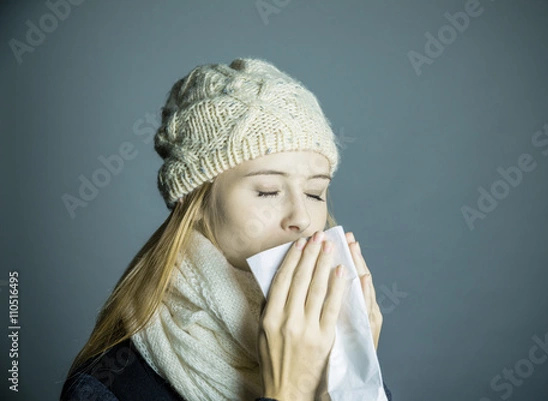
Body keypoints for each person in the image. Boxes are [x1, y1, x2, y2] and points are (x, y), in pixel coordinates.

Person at [60, 58, 392, 401]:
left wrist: (351, 377)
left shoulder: (329, 339)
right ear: (197, 202)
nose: (303, 219)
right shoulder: (108, 384)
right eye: (267, 191)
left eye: (314, 192)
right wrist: (289, 393)